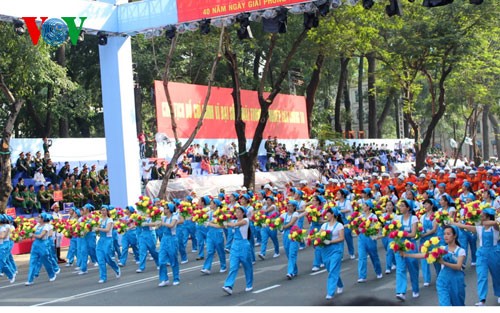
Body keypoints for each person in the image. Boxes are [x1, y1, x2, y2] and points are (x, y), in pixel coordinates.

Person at [401, 225, 466, 306]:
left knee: (458, 304)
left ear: (455, 235)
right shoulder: (441, 248)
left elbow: (458, 266)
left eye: (448, 234)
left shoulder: (461, 251)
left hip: (456, 281)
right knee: (445, 305)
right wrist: (407, 255)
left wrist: (443, 263)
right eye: (444, 234)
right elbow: (425, 255)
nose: (445, 236)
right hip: (443, 280)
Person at [451, 208, 500, 306]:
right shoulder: (479, 228)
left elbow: (494, 224)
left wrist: (489, 221)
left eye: (482, 215)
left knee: (497, 276)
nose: (480, 217)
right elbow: (464, 226)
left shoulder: (495, 228)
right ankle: (482, 300)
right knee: (482, 276)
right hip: (481, 254)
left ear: (487, 217)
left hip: (494, 253)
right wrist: (452, 223)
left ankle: (499, 294)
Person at [221, 206, 253, 295]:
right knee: (233, 266)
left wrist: (226, 222)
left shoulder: (246, 220)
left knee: (247, 266)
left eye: (239, 212)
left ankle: (249, 284)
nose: (237, 213)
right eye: (236, 212)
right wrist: (216, 221)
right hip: (235, 245)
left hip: (244, 245)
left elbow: (234, 225)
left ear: (243, 213)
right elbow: (223, 225)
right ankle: (228, 286)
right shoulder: (233, 221)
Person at [394, 199, 420, 301]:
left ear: (408, 208)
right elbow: (394, 231)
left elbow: (413, 234)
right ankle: (401, 292)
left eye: (403, 206)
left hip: (410, 246)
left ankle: (415, 289)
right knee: (400, 269)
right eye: (400, 206)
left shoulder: (413, 218)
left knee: (413, 268)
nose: (400, 208)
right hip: (399, 245)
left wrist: (402, 233)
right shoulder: (397, 218)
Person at [320, 207, 345, 300]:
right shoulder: (324, 225)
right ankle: (340, 284)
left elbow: (341, 238)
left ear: (333, 214)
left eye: (328, 213)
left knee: (333, 269)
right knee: (330, 269)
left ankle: (330, 292)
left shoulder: (339, 226)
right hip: (325, 250)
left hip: (336, 250)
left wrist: (330, 241)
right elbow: (319, 236)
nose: (326, 215)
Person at [25, 214, 57, 285]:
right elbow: (32, 233)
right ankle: (30, 280)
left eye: (39, 217)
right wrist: (26, 232)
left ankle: (52, 274)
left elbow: (40, 236)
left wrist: (32, 235)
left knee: (46, 261)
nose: (37, 218)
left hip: (43, 245)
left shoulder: (46, 226)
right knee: (32, 262)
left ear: (43, 219)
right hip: (35, 245)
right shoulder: (36, 226)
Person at [356, 199, 383, 283]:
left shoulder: (373, 216)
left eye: (364, 205)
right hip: (361, 238)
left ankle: (378, 271)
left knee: (374, 255)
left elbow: (377, 227)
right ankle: (362, 276)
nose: (362, 207)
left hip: (370, 237)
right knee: (362, 257)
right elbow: (357, 226)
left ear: (368, 207)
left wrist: (375, 235)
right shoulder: (360, 217)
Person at [200, 199, 227, 275]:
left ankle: (223, 266)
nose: (210, 205)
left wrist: (210, 224)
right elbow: (204, 220)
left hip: (218, 234)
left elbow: (222, 226)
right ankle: (207, 268)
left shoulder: (221, 213)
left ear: (215, 205)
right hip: (210, 234)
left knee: (220, 251)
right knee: (210, 251)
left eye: (211, 204)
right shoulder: (209, 213)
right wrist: (202, 221)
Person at [95, 205, 121, 283]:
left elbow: (107, 230)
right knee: (100, 258)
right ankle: (103, 277)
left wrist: (98, 228)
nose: (103, 212)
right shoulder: (99, 220)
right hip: (101, 240)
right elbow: (97, 230)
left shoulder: (110, 220)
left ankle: (116, 268)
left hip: (108, 240)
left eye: (104, 210)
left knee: (107, 256)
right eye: (102, 210)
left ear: (107, 211)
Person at [157, 203, 180, 287]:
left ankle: (176, 278)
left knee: (173, 259)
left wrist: (163, 223)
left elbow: (171, 225)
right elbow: (158, 225)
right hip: (164, 239)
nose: (164, 210)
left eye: (165, 208)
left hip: (172, 239)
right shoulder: (163, 218)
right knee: (161, 260)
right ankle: (164, 279)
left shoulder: (174, 217)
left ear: (169, 209)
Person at [420, 199, 440, 286]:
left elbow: (434, 229)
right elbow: (420, 227)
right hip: (424, 241)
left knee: (435, 258)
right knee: (424, 259)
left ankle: (440, 276)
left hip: (433, 240)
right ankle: (426, 279)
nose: (425, 206)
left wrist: (424, 235)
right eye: (424, 204)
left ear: (431, 205)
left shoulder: (435, 216)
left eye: (427, 204)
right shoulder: (422, 217)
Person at [281, 200, 301, 280]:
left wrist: (283, 227)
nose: (288, 207)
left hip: (294, 234)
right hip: (286, 235)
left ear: (294, 207)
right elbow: (277, 222)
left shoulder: (295, 214)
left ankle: (290, 272)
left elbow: (291, 223)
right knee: (288, 253)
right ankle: (294, 270)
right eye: (288, 205)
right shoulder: (283, 214)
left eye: (290, 206)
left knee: (292, 253)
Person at [258, 196, 280, 260]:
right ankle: (262, 253)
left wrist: (260, 209)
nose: (267, 201)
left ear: (272, 201)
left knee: (274, 239)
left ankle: (277, 252)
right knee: (264, 239)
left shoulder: (274, 206)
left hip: (272, 225)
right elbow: (260, 212)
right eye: (267, 200)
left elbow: (266, 211)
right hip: (265, 225)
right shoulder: (264, 207)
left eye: (269, 200)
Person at [0, 214, 16, 284]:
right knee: (3, 262)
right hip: (2, 244)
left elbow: (2, 236)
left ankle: (11, 273)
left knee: (2, 260)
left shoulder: (3, 228)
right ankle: (11, 274)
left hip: (4, 245)